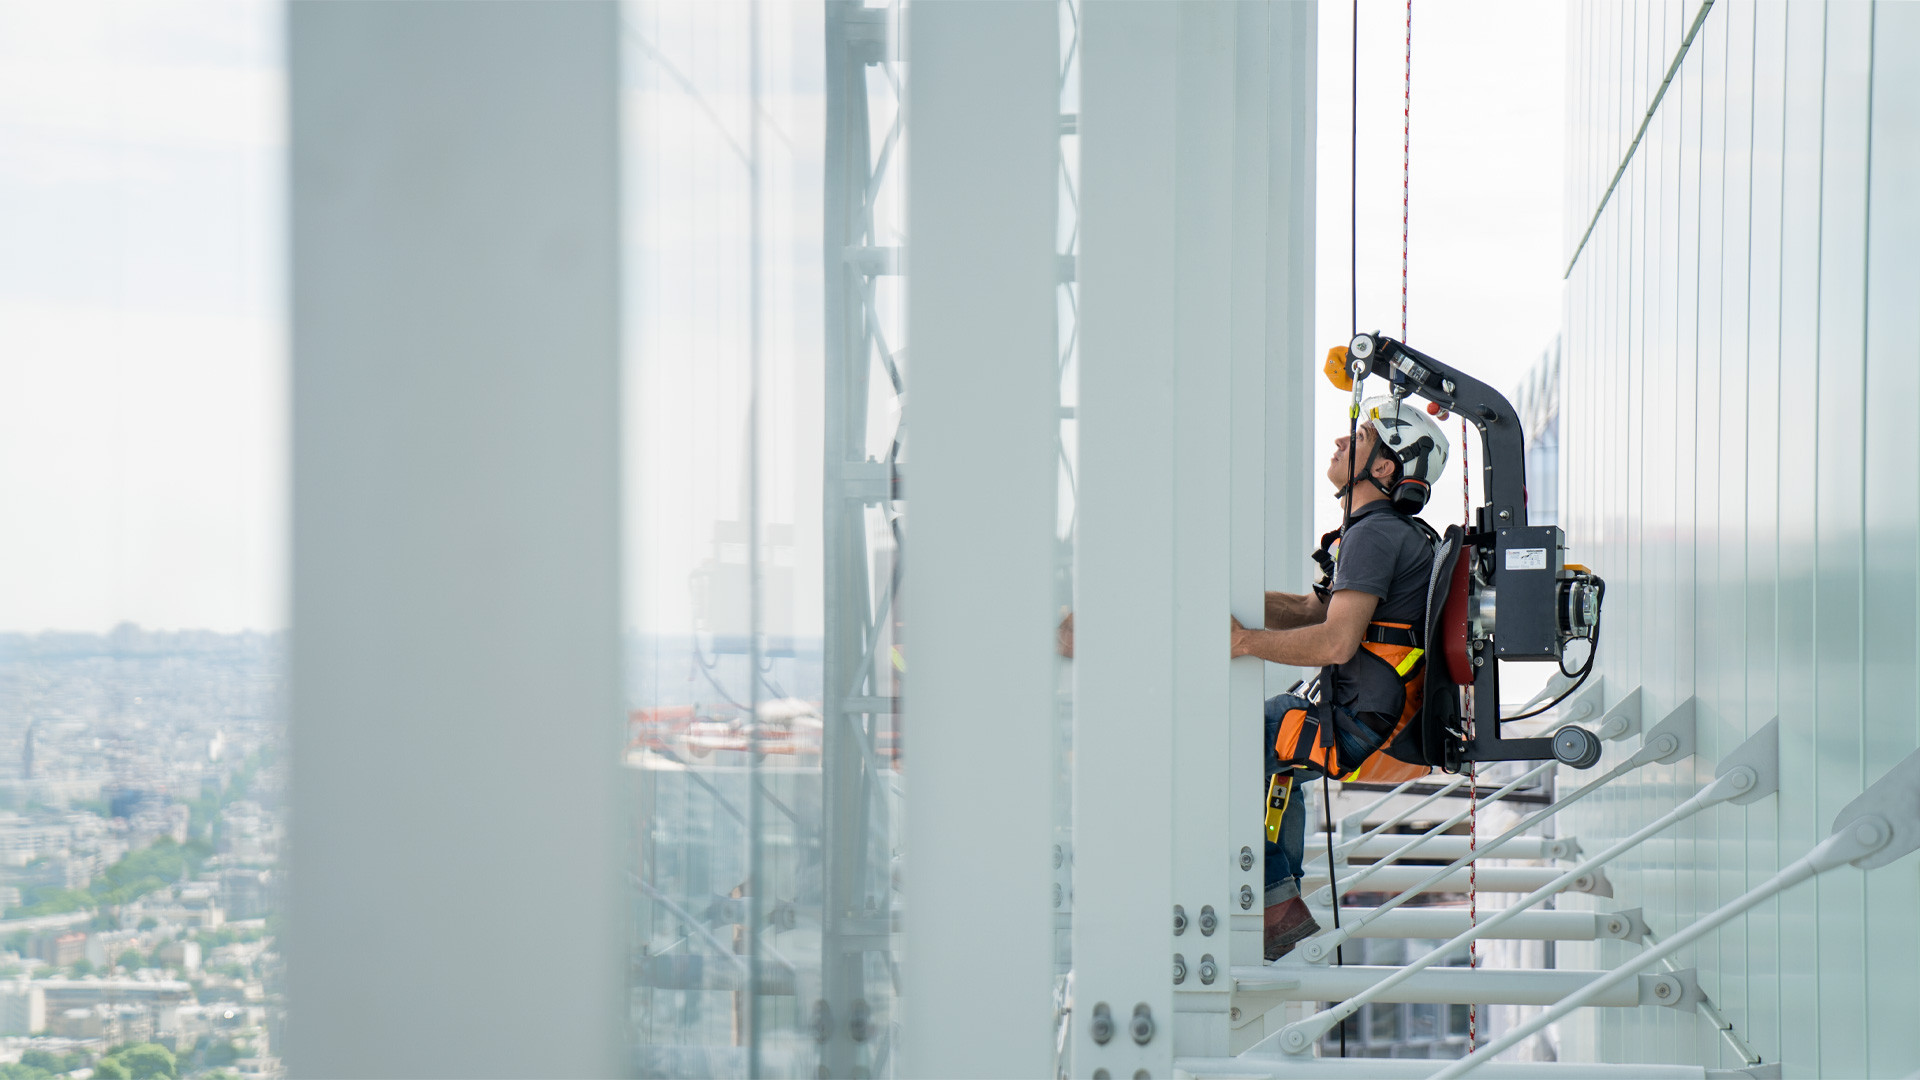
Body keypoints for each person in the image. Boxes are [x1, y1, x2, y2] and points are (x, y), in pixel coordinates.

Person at [1230, 395, 1449, 961]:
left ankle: (1276, 906)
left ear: (1383, 468)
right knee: (1274, 751)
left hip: (1353, 719)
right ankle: (1279, 908)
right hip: (1368, 714)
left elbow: (1333, 642)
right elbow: (1311, 612)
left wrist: (1242, 642)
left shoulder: (1374, 535)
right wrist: (1227, 606)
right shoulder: (1388, 533)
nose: (1338, 443)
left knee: (1232, 739)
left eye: (1357, 438)